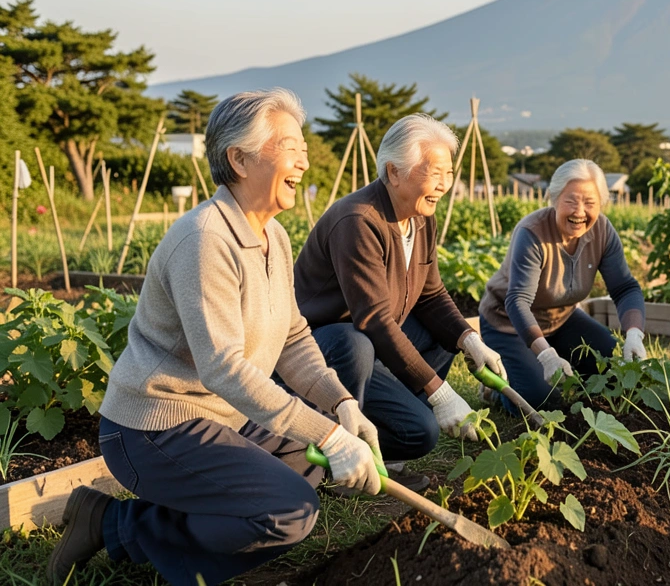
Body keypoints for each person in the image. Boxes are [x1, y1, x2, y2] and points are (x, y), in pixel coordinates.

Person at [48, 90, 382, 586]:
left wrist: (341, 405)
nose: (304, 162)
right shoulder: (205, 239)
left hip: (224, 416)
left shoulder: (273, 236)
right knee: (289, 511)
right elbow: (224, 368)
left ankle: (156, 521)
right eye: (290, 148)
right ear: (239, 160)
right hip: (157, 426)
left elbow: (293, 337)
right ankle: (115, 524)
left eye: (304, 149)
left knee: (306, 463)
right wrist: (330, 437)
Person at [294, 115, 508, 480]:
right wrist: (440, 393)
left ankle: (389, 424)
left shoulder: (421, 215)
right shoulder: (358, 220)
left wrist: (470, 340)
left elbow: (431, 294)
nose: (444, 185)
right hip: (325, 350)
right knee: (360, 351)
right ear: (394, 172)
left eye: (448, 173)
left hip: (369, 342)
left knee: (442, 346)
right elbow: (374, 319)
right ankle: (341, 453)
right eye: (434, 173)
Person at [477, 159, 648, 410]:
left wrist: (634, 333)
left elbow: (625, 288)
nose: (580, 212)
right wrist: (546, 356)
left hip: (560, 320)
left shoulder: (602, 231)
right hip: (508, 324)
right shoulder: (532, 233)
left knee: (611, 364)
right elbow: (518, 301)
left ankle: (547, 366)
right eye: (571, 201)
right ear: (554, 198)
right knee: (540, 400)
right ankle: (498, 388)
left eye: (589, 202)